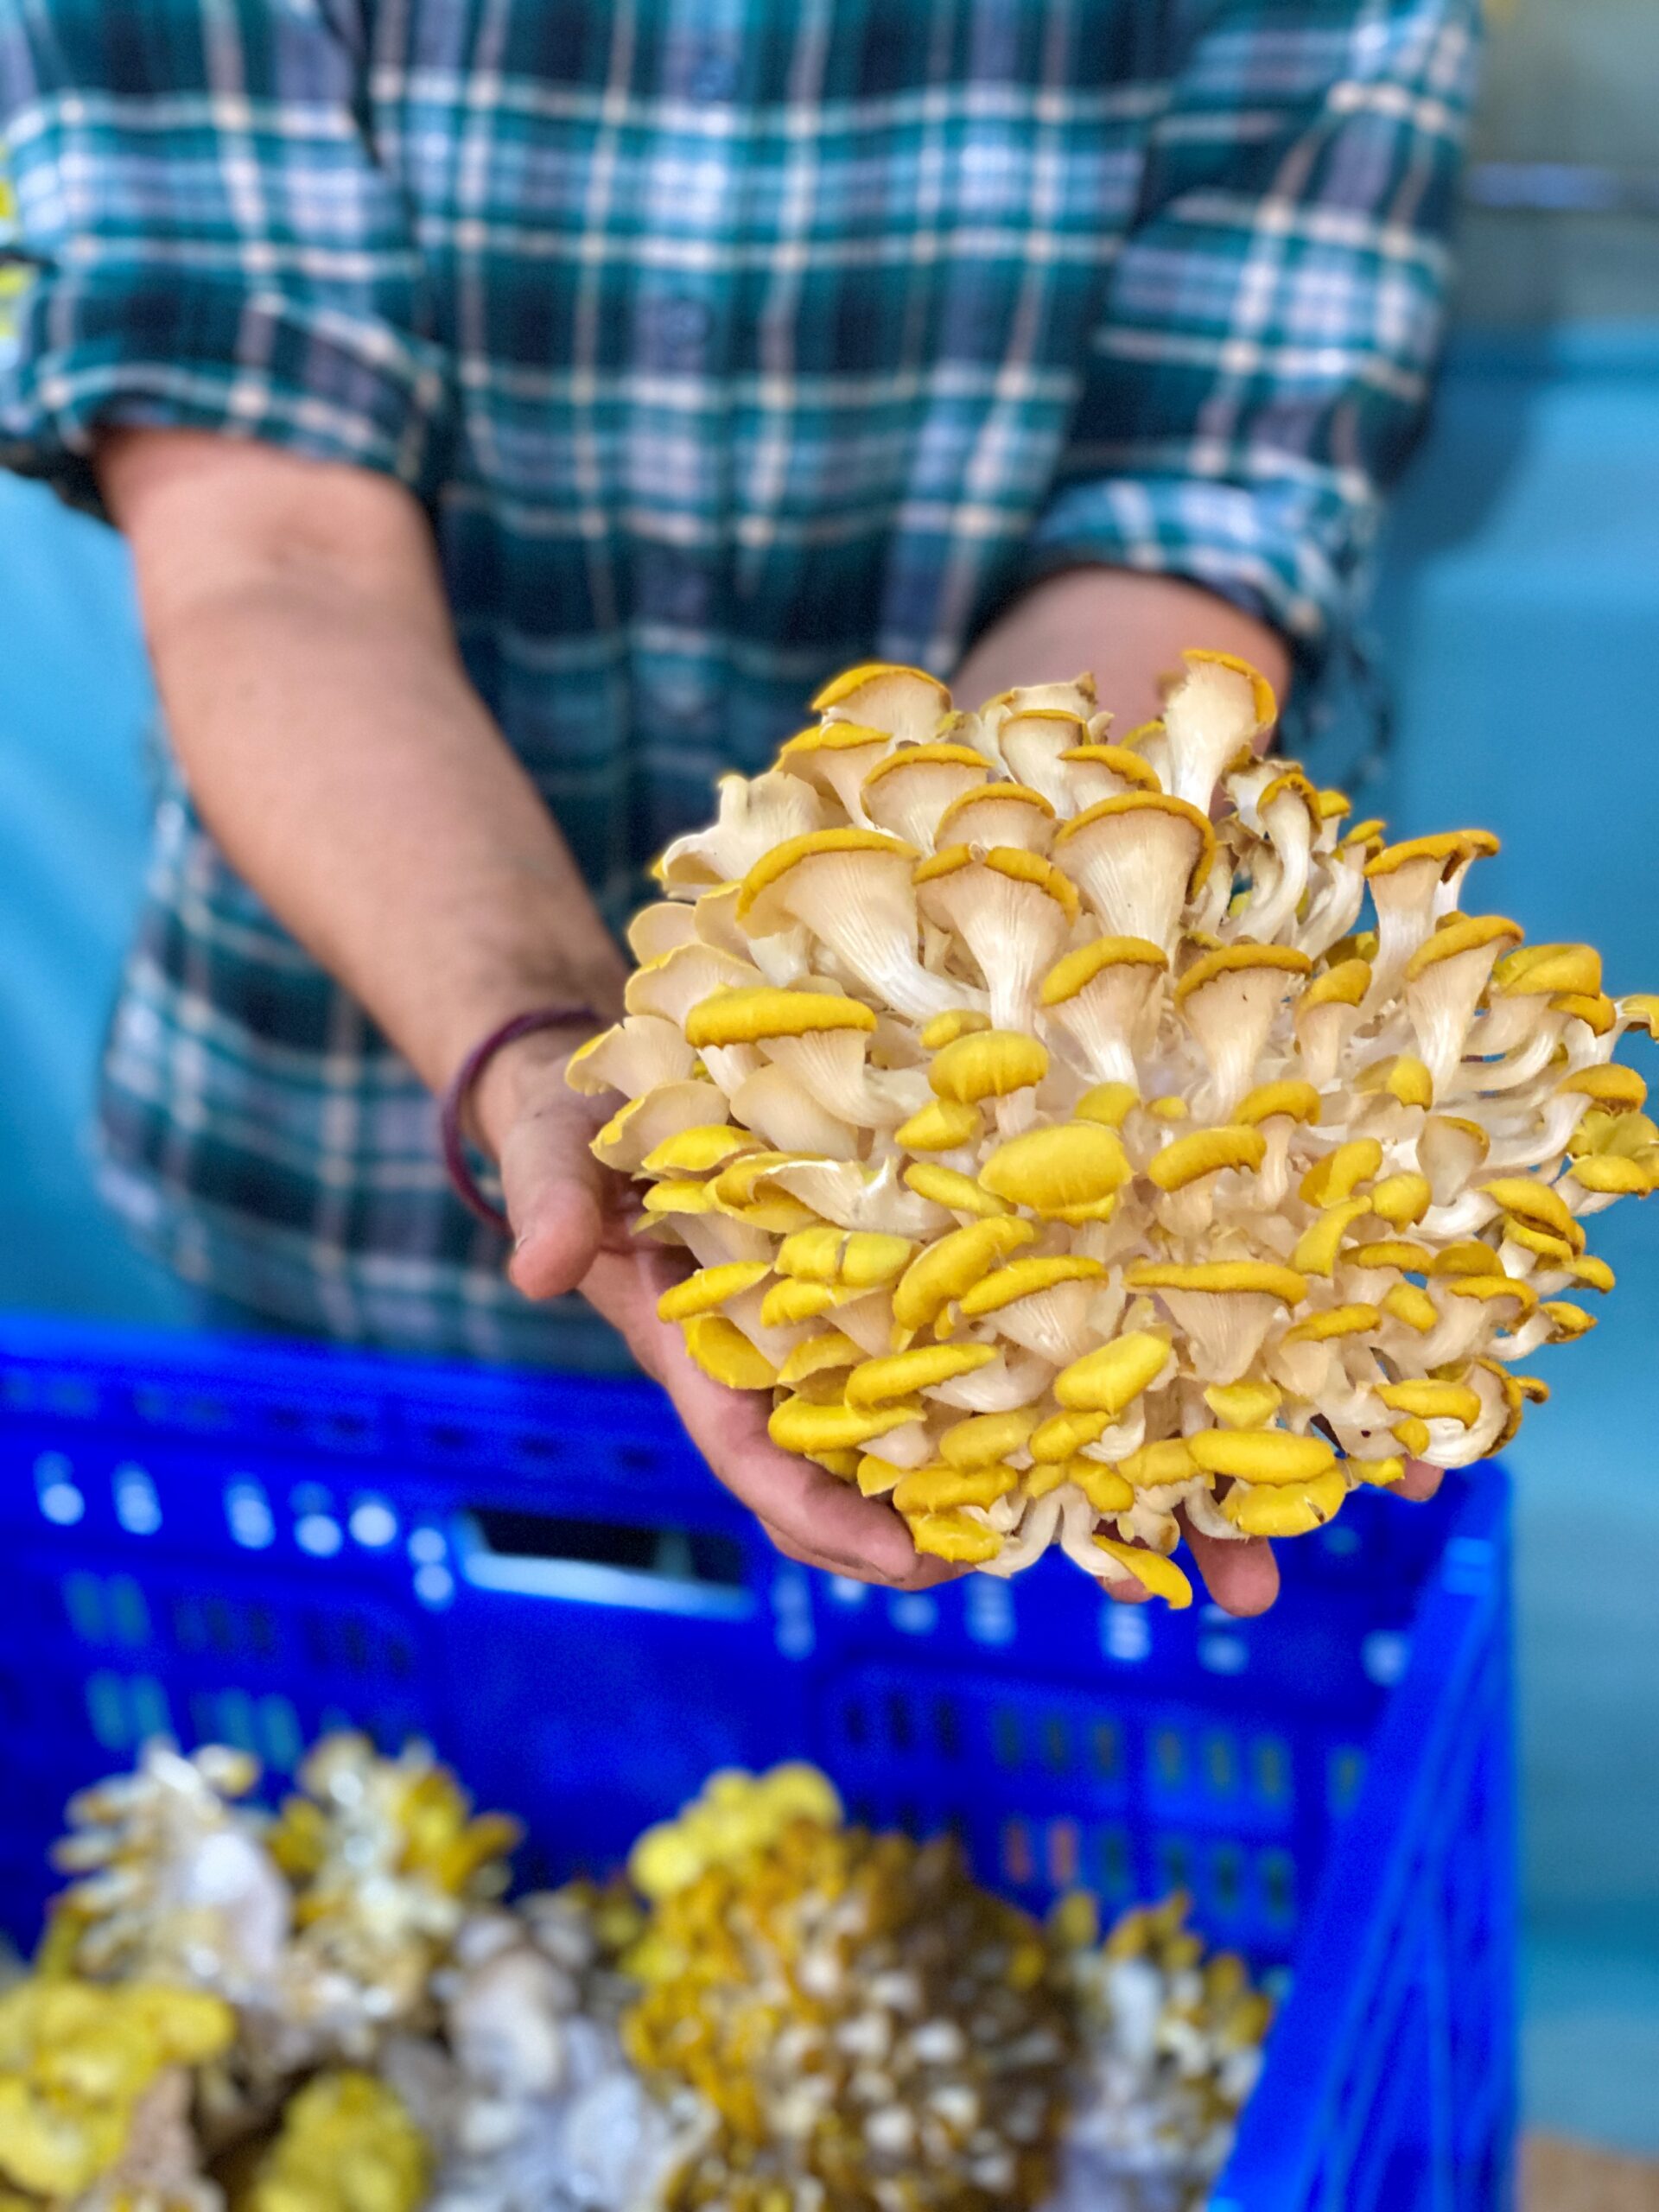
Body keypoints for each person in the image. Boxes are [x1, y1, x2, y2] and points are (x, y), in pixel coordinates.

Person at [0, 0, 1472, 1611]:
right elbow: (273, 550)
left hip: (926, 1302)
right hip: (343, 1130)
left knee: (943, 1740)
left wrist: (1043, 1100)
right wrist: (537, 1040)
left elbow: (1180, 529)